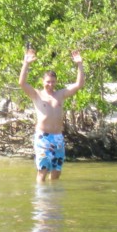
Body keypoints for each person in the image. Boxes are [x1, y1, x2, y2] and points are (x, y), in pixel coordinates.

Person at [18, 47, 84, 182]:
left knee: (56, 172)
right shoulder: (36, 95)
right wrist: (26, 63)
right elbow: (22, 83)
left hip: (58, 137)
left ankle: (53, 194)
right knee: (42, 170)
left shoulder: (60, 94)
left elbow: (79, 84)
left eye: (53, 81)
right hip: (43, 137)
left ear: (56, 82)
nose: (50, 84)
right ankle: (41, 195)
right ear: (43, 81)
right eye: (48, 81)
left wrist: (79, 64)